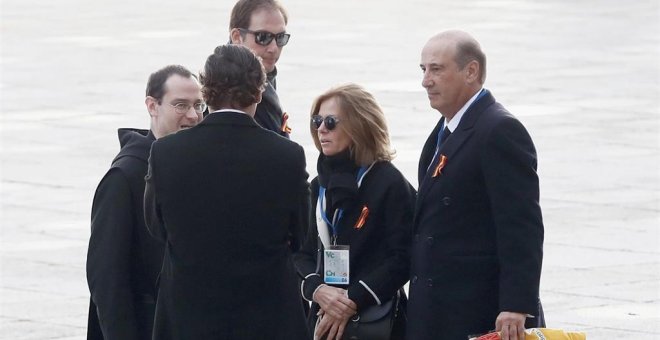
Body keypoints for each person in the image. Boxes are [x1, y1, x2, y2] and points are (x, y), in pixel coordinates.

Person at [143, 44, 309, 339]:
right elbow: (300, 235)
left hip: (189, 317)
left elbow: (157, 227)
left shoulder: (166, 153)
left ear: (206, 93)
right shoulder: (288, 156)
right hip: (267, 318)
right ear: (259, 92)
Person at [407, 30, 545, 340]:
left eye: (436, 69)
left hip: (478, 311)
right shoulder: (445, 130)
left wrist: (516, 304)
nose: (426, 80)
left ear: (471, 71)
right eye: (423, 70)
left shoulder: (499, 130)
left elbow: (521, 225)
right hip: (438, 308)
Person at [86, 65, 204, 340]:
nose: (193, 115)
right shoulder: (125, 177)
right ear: (152, 106)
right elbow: (107, 278)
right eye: (180, 105)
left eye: (198, 105)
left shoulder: (197, 166)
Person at [293, 84, 415, 340]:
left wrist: (351, 300)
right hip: (322, 315)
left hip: (375, 319)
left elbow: (403, 257)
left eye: (330, 121)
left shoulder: (390, 182)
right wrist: (318, 290)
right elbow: (300, 254)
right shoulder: (317, 186)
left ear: (359, 125)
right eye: (317, 121)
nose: (321, 129)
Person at [229, 0, 292, 137]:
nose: (274, 48)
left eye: (280, 38)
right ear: (237, 37)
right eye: (263, 37)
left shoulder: (263, 76)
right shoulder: (226, 89)